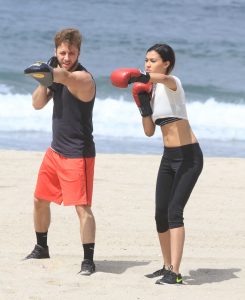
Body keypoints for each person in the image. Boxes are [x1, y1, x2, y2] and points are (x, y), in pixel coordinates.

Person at [110, 44, 203, 284]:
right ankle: (166, 265)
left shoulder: (173, 84)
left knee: (174, 212)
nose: (148, 64)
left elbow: (162, 79)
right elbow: (150, 131)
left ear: (166, 63)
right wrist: (143, 106)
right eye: (145, 60)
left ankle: (176, 273)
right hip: (168, 157)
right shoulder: (150, 91)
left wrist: (139, 76)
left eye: (152, 60)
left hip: (189, 157)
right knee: (160, 214)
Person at [24, 28, 96, 276]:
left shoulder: (83, 78)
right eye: (62, 52)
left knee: (82, 207)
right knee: (39, 200)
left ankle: (88, 260)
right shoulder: (56, 77)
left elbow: (64, 76)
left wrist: (48, 71)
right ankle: (41, 246)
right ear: (56, 52)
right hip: (55, 151)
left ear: (79, 52)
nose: (67, 57)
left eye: (71, 52)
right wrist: (45, 80)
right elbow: (37, 104)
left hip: (79, 154)